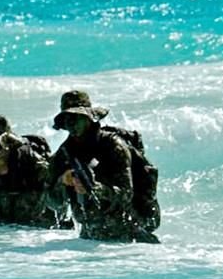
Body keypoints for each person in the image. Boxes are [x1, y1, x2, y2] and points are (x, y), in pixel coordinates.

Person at [49, 91, 160, 243]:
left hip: (128, 232)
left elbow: (126, 194)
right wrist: (63, 182)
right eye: (66, 119)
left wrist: (94, 188)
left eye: (76, 118)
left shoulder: (114, 146)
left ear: (88, 118)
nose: (71, 124)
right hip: (90, 234)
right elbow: (52, 203)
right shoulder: (65, 152)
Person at [0, 115, 70, 228]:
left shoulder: (35, 165)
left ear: (11, 144)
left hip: (39, 235)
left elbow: (60, 202)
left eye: (0, 148)